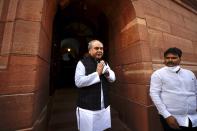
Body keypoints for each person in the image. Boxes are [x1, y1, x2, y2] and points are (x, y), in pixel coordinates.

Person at [150, 47, 197, 131]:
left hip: (193, 117)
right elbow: (154, 94)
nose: (170, 60)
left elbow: (195, 91)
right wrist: (167, 115)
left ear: (180, 59)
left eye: (174, 58)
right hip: (172, 118)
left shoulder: (190, 74)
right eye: (167, 58)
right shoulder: (158, 74)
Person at [75, 40, 116, 131]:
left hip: (103, 107)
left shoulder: (104, 63)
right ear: (90, 50)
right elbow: (78, 82)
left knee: (102, 128)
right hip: (87, 108)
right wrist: (97, 74)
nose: (100, 50)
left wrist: (106, 72)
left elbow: (113, 79)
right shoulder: (82, 63)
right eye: (96, 48)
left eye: (101, 48)